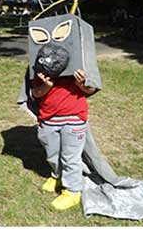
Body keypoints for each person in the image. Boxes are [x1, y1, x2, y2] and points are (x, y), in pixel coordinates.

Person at [31, 66, 99, 211]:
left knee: (71, 157)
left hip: (74, 118)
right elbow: (35, 93)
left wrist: (82, 84)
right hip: (49, 119)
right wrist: (47, 85)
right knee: (53, 153)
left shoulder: (81, 62)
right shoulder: (41, 65)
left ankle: (73, 191)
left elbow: (92, 89)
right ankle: (58, 176)